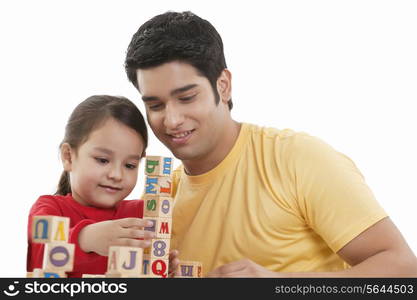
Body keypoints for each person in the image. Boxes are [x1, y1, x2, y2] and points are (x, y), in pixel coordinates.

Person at [124, 11, 417, 277]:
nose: (172, 120)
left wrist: (278, 284)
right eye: (156, 105)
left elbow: (403, 269)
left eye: (187, 98)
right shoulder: (161, 200)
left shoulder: (297, 158)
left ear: (223, 86)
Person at [27, 95, 178, 277]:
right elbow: (37, 256)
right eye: (102, 160)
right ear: (68, 156)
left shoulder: (142, 216)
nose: (116, 175)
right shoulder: (49, 208)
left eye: (130, 165)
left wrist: (162, 272)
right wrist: (85, 238)